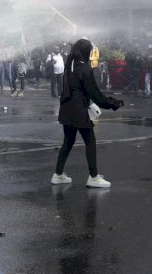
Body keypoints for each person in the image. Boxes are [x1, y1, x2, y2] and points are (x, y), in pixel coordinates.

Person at [52, 38, 123, 188]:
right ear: (86, 52)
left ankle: (58, 175)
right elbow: (95, 94)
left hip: (66, 109)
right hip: (79, 111)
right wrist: (113, 103)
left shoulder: (70, 66)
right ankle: (93, 177)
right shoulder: (85, 69)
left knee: (68, 142)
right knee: (90, 141)